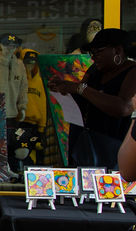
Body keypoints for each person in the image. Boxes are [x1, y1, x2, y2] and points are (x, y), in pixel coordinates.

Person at [48, 28, 136, 170]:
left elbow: (124, 108)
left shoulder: (132, 72)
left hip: (115, 149)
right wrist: (64, 89)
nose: (93, 58)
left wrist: (79, 89)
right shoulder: (94, 70)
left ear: (117, 51)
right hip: (87, 145)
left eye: (98, 52)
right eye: (91, 53)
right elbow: (84, 97)